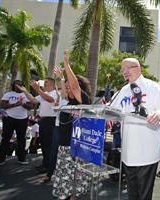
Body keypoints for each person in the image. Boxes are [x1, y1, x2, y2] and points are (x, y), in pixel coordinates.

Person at [110, 58, 160, 200]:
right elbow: (110, 110)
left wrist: (159, 114)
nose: (124, 72)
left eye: (128, 68)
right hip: (128, 153)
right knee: (132, 194)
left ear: (138, 68)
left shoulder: (152, 87)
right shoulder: (123, 90)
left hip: (146, 152)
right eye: (122, 70)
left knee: (144, 195)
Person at [52, 51, 91, 200]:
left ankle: (73, 196)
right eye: (66, 87)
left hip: (75, 148)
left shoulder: (84, 101)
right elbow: (67, 89)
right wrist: (62, 78)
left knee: (75, 177)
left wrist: (67, 65)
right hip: (64, 146)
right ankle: (67, 195)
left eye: (69, 87)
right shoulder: (69, 102)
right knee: (66, 176)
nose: (66, 89)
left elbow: (74, 87)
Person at [18, 77, 58, 173]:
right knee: (44, 143)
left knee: (48, 144)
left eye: (47, 82)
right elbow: (33, 100)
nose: (45, 84)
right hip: (43, 121)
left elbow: (50, 99)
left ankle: (49, 166)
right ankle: (45, 164)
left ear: (52, 84)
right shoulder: (44, 93)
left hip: (51, 121)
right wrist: (25, 91)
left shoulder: (55, 93)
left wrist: (38, 89)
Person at [0, 80, 33, 166]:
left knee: (21, 139)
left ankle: (21, 159)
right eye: (16, 84)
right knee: (5, 139)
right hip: (9, 118)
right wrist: (15, 104)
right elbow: (2, 105)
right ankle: (1, 160)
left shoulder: (26, 95)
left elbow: (30, 107)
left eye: (20, 84)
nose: (18, 85)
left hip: (22, 119)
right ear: (13, 85)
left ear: (22, 85)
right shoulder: (8, 94)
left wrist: (22, 103)